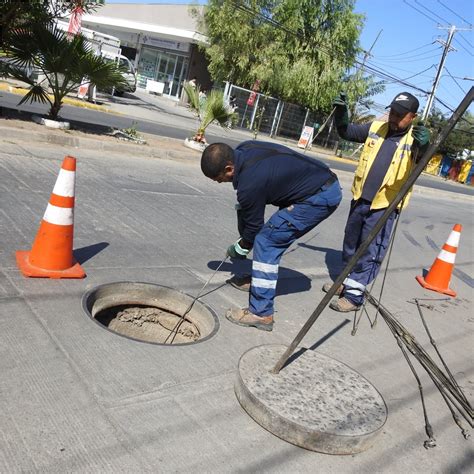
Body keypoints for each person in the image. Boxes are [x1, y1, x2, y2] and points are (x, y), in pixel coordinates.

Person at [200, 140, 342, 331]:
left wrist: (240, 247)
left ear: (229, 168)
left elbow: (253, 229)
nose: (219, 182)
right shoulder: (245, 148)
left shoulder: (249, 183)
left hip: (317, 197)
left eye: (218, 178)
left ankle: (261, 313)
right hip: (316, 181)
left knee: (267, 241)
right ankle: (259, 280)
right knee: (268, 236)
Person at [323, 92, 431, 312]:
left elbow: (423, 163)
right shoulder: (376, 128)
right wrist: (341, 114)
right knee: (351, 244)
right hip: (360, 197)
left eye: (400, 115)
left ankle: (354, 296)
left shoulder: (415, 140)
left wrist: (426, 147)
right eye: (392, 112)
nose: (394, 117)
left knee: (370, 250)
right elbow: (346, 131)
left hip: (385, 205)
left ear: (412, 117)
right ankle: (344, 283)